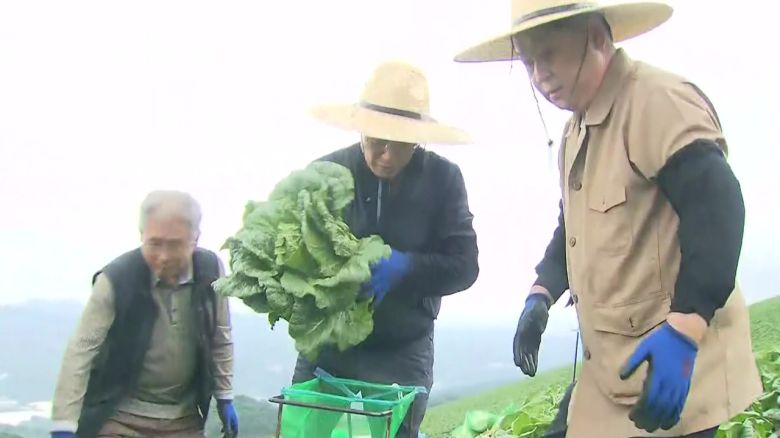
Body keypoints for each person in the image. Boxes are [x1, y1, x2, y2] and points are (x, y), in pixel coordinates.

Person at [454, 1, 762, 437]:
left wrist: (686, 328)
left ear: (597, 38)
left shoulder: (656, 102)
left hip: (677, 366)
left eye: (549, 54)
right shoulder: (575, 131)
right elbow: (573, 227)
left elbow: (717, 208)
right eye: (528, 62)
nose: (539, 75)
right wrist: (541, 294)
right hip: (612, 367)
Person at [291, 60, 480, 436]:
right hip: (329, 342)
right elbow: (295, 256)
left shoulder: (443, 180)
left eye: (402, 144)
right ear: (361, 129)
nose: (388, 156)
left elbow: (465, 266)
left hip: (403, 346)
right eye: (378, 142)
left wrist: (405, 267)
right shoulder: (327, 174)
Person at [49, 190, 239, 438]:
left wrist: (225, 396)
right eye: (155, 243)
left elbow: (220, 336)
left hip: (183, 418)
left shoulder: (210, 271)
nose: (164, 256)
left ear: (195, 238)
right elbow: (81, 350)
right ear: (142, 235)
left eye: (175, 244)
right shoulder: (116, 280)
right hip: (118, 417)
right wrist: (63, 425)